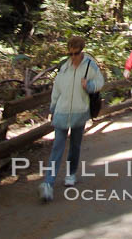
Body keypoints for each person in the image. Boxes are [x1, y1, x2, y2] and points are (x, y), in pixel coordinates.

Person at [39, 36, 104, 202]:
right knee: (57, 147)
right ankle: (48, 183)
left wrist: (89, 86)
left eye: (76, 53)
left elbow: (100, 82)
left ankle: (71, 173)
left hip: (79, 111)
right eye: (71, 54)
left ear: (81, 51)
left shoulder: (89, 65)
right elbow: (57, 89)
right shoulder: (64, 67)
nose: (73, 57)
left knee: (75, 146)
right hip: (62, 111)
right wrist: (53, 108)